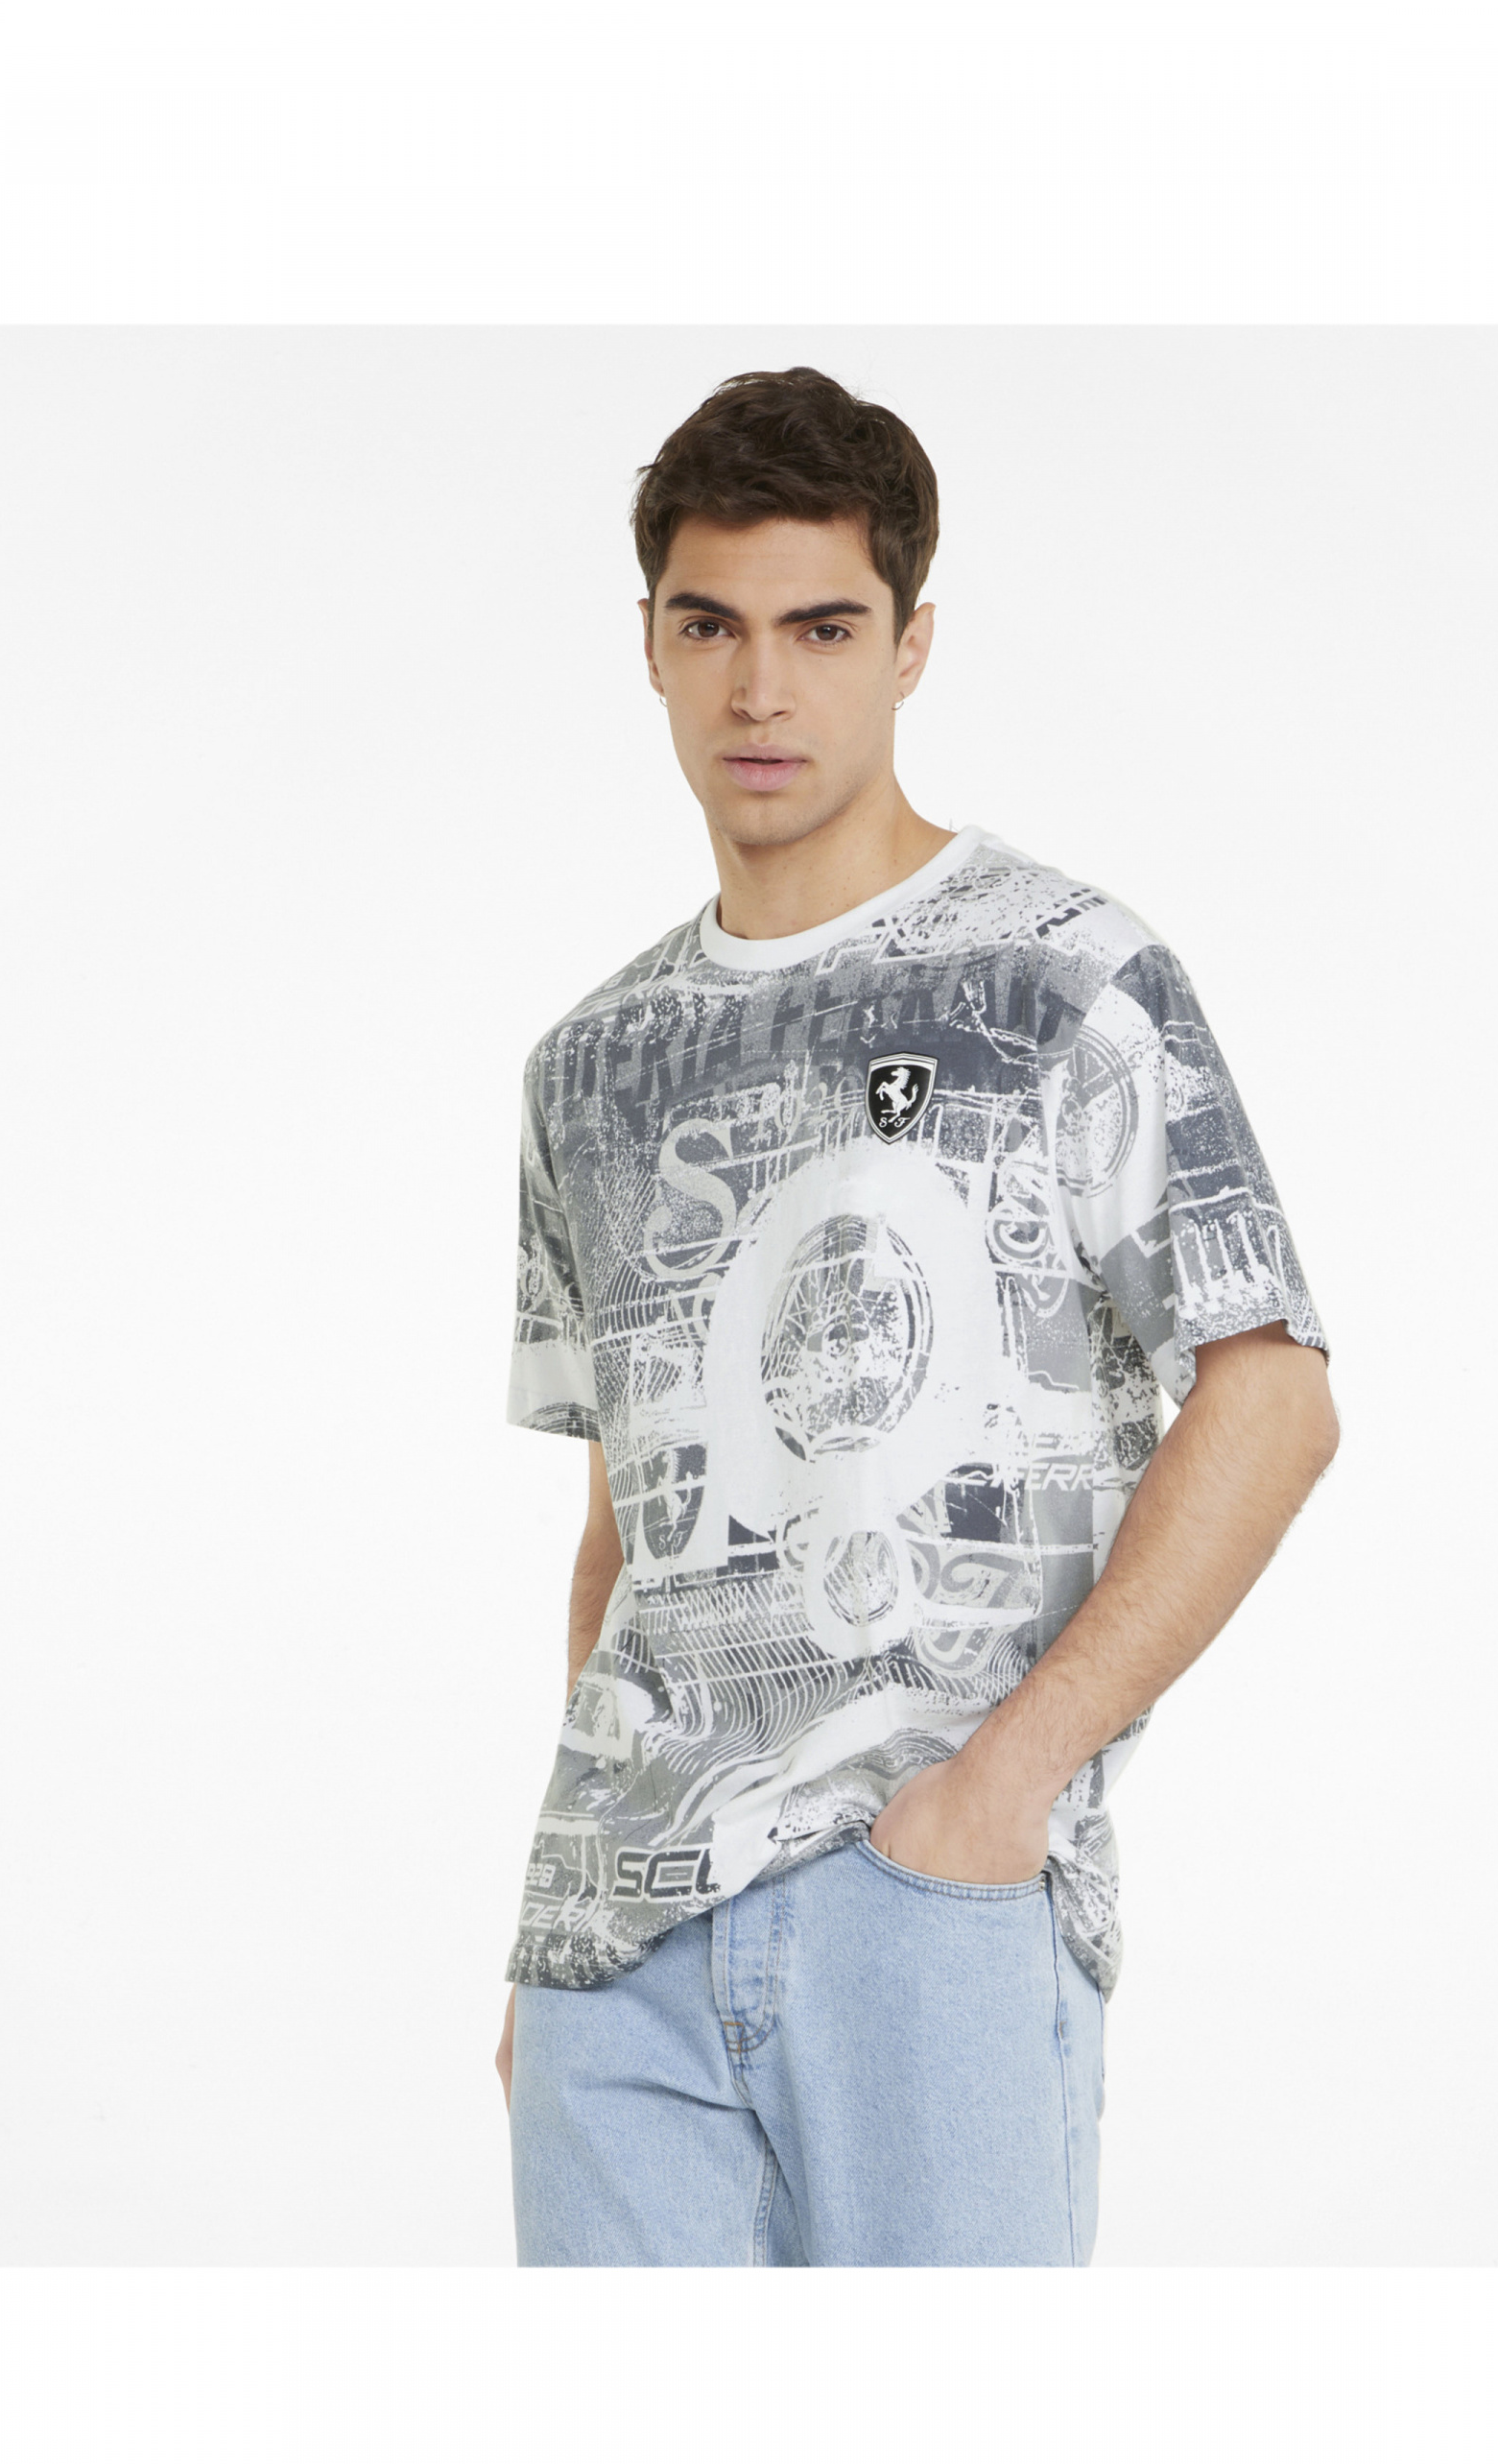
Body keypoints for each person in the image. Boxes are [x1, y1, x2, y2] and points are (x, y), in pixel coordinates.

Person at [494, 364, 1339, 2265]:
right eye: (708, 626)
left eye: (819, 628)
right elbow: (626, 1520)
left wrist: (1003, 1786)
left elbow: (1270, 1397)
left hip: (926, 1896)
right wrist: (558, 1920)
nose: (759, 689)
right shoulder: (588, 1065)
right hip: (614, 1951)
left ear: (909, 644)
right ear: (649, 644)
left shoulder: (1062, 979)